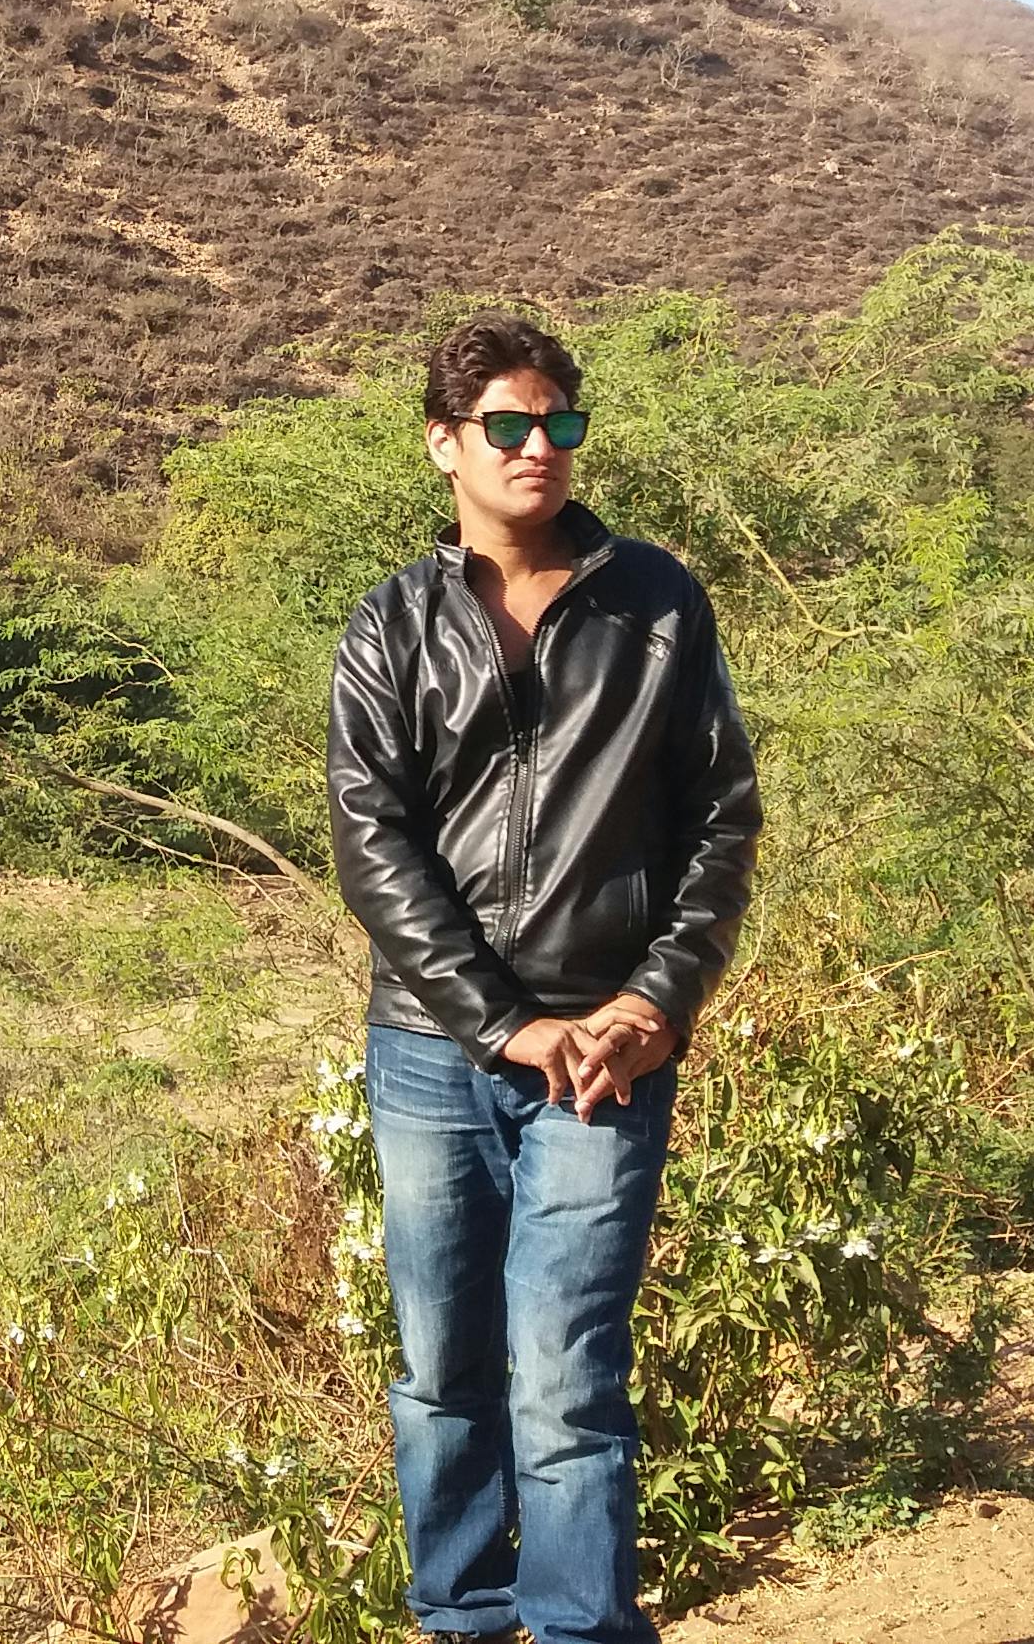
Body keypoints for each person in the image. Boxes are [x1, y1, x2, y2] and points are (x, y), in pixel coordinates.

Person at [329, 314, 761, 1644]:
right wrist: (503, 1021)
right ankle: (461, 1618)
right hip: (433, 1053)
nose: (538, 447)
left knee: (568, 1372)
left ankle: (580, 1630)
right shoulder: (394, 623)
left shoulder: (658, 602)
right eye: (508, 425)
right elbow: (372, 839)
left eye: (559, 422)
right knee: (442, 1369)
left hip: (608, 1055)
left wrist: (656, 999)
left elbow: (720, 818)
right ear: (443, 444)